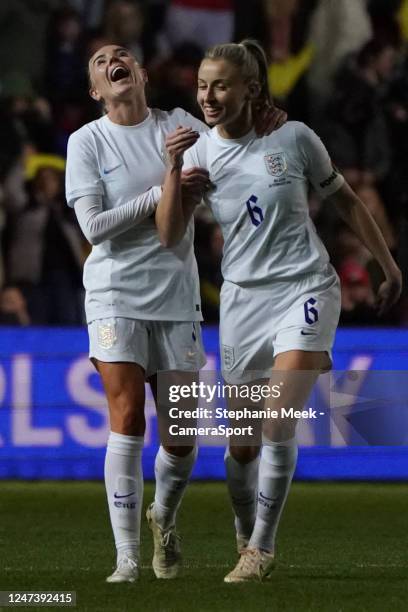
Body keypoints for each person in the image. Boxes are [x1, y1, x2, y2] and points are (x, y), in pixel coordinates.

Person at [156, 39, 402, 583]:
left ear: (251, 89)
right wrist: (173, 171)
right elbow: (170, 232)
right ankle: (246, 533)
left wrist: (387, 263)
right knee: (241, 448)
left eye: (221, 84)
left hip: (307, 288)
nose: (209, 96)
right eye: (202, 85)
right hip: (244, 302)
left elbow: (346, 201)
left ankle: (261, 549)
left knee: (276, 421)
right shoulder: (196, 152)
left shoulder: (293, 137)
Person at [65, 43, 285, 584]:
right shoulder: (87, 141)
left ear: (140, 73)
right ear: (97, 89)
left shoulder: (179, 124)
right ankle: (127, 558)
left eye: (122, 55)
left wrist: (267, 122)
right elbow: (93, 228)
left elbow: (236, 148)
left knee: (182, 435)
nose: (112, 59)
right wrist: (163, 186)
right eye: (100, 61)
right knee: (128, 417)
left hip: (175, 294)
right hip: (114, 292)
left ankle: (163, 516)